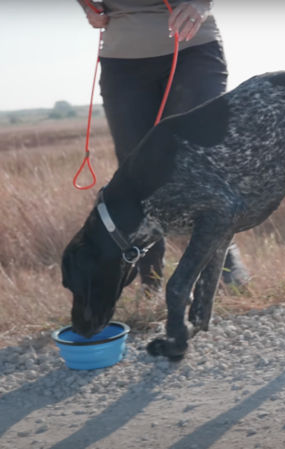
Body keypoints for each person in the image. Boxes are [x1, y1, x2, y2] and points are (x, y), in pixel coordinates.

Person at [77, 0, 249, 291]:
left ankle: (222, 262)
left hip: (193, 51)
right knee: (138, 173)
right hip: (123, 61)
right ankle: (150, 277)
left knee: (199, 160)